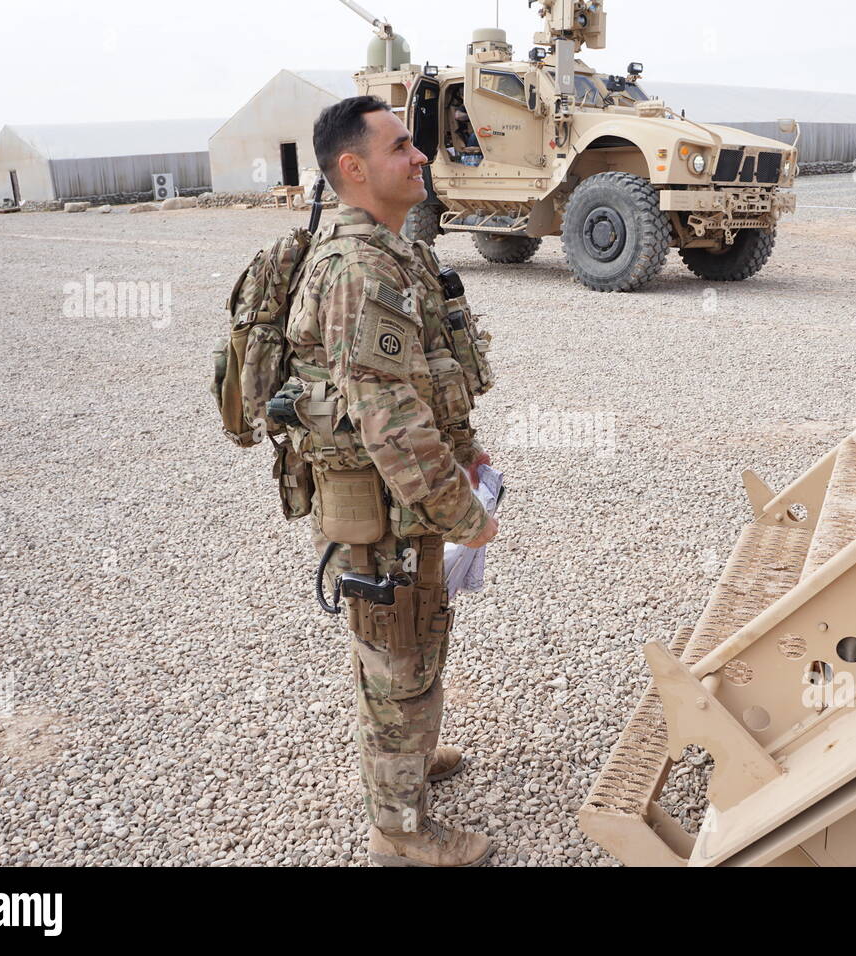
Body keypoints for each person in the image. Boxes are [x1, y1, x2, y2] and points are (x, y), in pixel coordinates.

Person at [285, 95, 498, 866]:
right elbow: (389, 417)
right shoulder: (358, 266)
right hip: (385, 511)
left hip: (403, 505)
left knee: (407, 649)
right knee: (399, 659)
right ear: (353, 168)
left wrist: (466, 455)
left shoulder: (392, 248)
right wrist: (463, 509)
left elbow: (429, 374)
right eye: (402, 147)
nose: (420, 158)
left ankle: (404, 762)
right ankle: (400, 832)